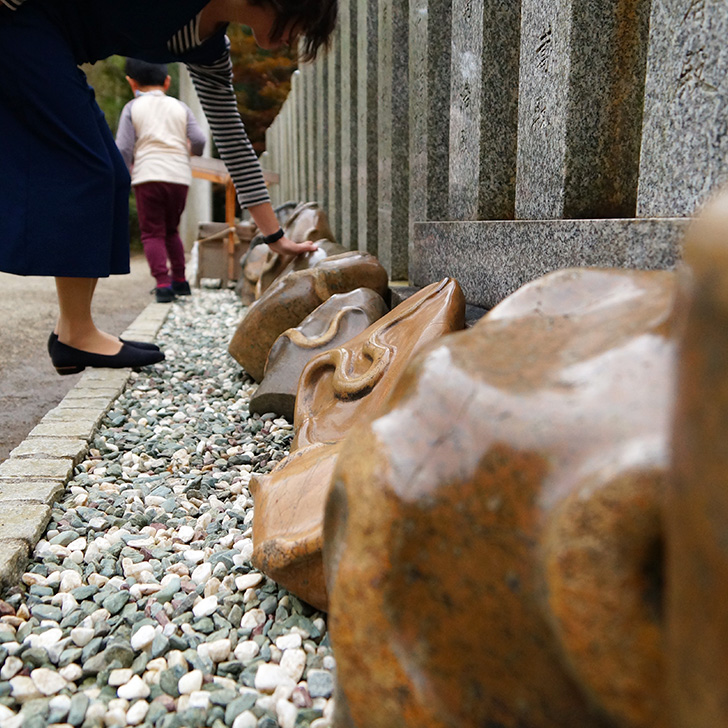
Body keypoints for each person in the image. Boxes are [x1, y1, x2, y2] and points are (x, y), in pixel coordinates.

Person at [0, 0, 334, 375]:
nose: (292, 40)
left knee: (110, 171)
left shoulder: (208, 52)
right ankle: (76, 335)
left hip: (52, 43)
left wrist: (274, 235)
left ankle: (71, 330)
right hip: (19, 23)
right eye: (299, 24)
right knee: (90, 169)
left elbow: (234, 143)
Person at [117, 58, 206, 304]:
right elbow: (199, 140)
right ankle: (181, 280)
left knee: (152, 233)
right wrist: (190, 152)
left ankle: (163, 284)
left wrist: (124, 176)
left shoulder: (132, 108)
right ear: (167, 82)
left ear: (131, 82)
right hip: (178, 177)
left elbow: (123, 148)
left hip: (147, 175)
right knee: (170, 230)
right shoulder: (180, 107)